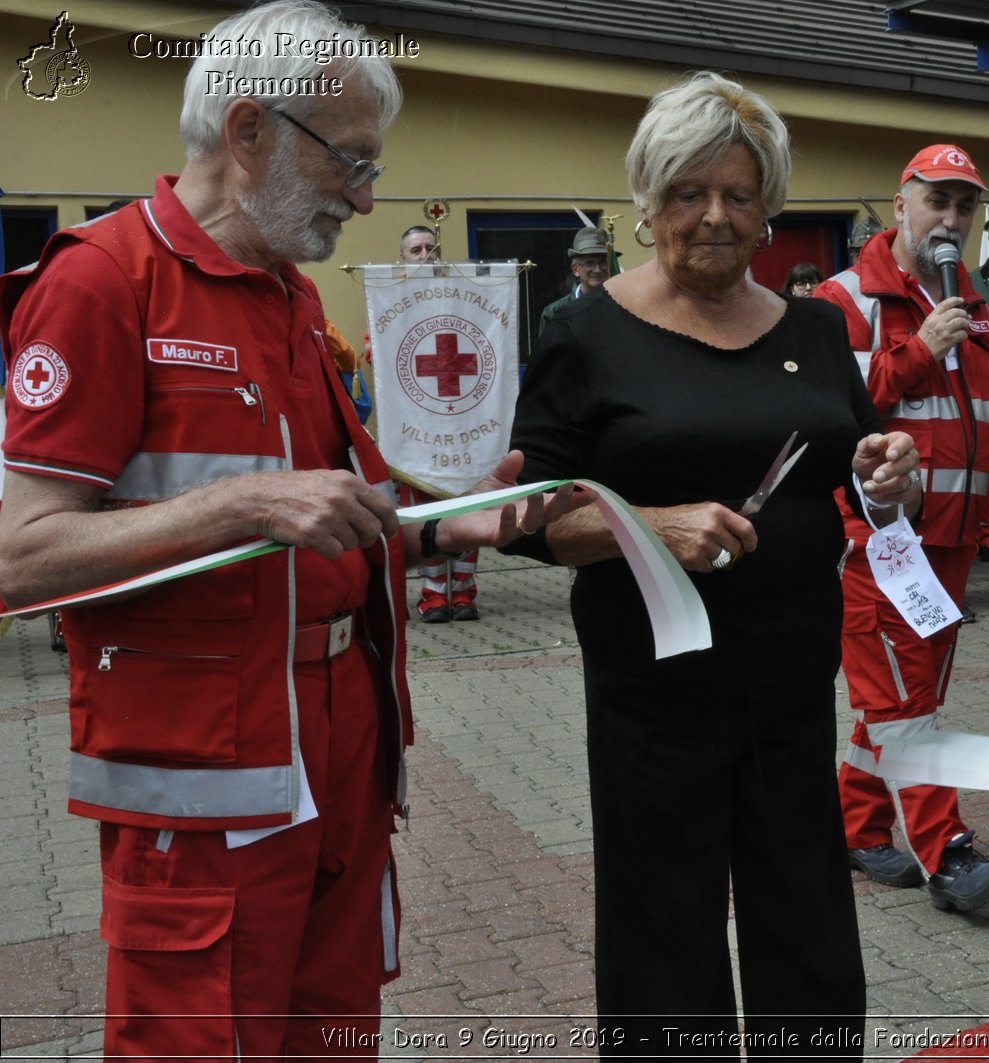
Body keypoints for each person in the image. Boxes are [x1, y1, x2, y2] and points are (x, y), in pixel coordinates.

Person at [0, 3, 567, 1056]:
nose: (362, 196)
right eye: (350, 162)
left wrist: (449, 525)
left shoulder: (291, 297)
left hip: (337, 755)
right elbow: (19, 559)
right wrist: (244, 502)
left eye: (370, 169)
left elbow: (328, 518)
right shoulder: (101, 281)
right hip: (202, 787)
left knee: (332, 1035)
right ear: (249, 131)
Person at [505, 72, 917, 1053]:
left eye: (738, 194)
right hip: (654, 694)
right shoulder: (585, 333)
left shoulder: (816, 328)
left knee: (806, 922)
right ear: (646, 206)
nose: (714, 217)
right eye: (688, 194)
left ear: (769, 208)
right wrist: (650, 525)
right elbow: (529, 514)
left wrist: (887, 472)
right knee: (663, 935)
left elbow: (857, 465)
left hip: (788, 680)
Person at [815, 143, 989, 911]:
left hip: (957, 539)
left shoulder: (970, 295)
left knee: (906, 698)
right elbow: (837, 410)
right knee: (908, 705)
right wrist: (920, 348)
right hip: (881, 542)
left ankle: (858, 827)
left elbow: (985, 408)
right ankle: (949, 853)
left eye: (965, 205)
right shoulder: (844, 297)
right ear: (901, 203)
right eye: (938, 201)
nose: (953, 219)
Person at [392, 227, 486, 622]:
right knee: (423, 508)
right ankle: (433, 592)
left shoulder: (467, 300)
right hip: (414, 429)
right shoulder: (389, 301)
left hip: (465, 426)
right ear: (403, 259)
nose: (426, 255)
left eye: (432, 248)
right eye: (417, 250)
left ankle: (463, 591)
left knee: (468, 507)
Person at [538, 225, 614, 336]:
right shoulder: (554, 313)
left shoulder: (622, 306)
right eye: (590, 263)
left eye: (603, 262)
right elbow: (547, 353)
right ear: (575, 269)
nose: (597, 270)